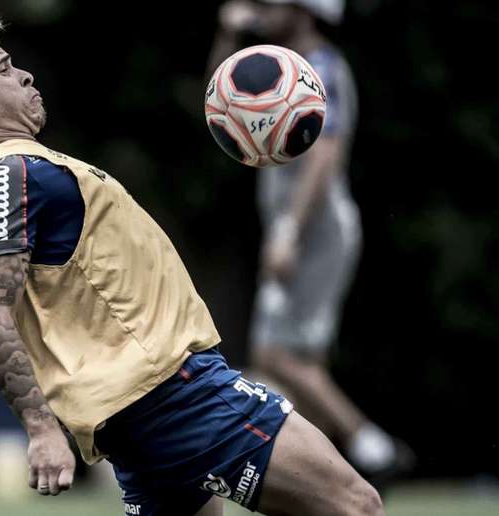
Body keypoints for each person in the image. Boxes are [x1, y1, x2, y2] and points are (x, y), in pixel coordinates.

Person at [0, 10, 384, 515]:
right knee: (355, 506)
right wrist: (40, 428)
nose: (24, 75)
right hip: (175, 397)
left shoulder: (23, 170)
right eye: (5, 68)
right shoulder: (3, 178)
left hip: (139, 414)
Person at [208, 0, 413, 484]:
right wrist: (225, 39)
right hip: (303, 230)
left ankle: (376, 450)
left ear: (305, 10)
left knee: (274, 357)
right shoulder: (278, 65)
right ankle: (325, 479)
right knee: (303, 363)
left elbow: (327, 152)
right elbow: (217, 106)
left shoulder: (318, 69)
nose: (262, 9)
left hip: (315, 229)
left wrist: (287, 232)